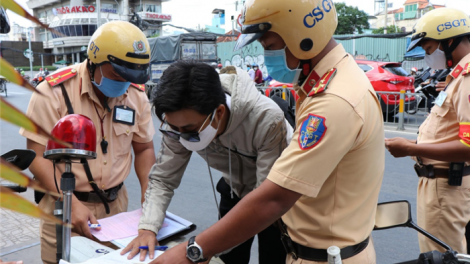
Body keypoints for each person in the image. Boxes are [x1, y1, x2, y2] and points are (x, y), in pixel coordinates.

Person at [152, 0, 384, 263]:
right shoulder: (328, 82)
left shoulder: (334, 101)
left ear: (302, 38)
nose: (267, 56)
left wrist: (194, 251)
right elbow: (164, 176)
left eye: (270, 46)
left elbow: (273, 198)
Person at [121, 60, 293, 264]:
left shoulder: (266, 119)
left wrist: (198, 249)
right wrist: (147, 228)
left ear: (219, 113)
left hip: (275, 197)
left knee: (274, 255)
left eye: (190, 130)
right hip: (234, 189)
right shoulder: (178, 125)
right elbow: (163, 179)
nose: (181, 136)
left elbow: (266, 202)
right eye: (175, 128)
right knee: (228, 258)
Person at [19, 21, 156, 264]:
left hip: (116, 209)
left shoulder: (136, 95)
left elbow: (144, 148)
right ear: (94, 61)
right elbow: (36, 156)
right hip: (64, 206)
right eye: (117, 74)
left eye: (130, 76)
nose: (124, 82)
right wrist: (68, 201)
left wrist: (149, 202)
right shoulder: (53, 92)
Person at [386, 8, 470, 254]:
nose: (427, 56)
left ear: (450, 41)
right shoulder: (457, 76)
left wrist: (411, 148)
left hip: (445, 185)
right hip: (444, 181)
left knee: (441, 257)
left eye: (430, 49)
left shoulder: (467, 77)